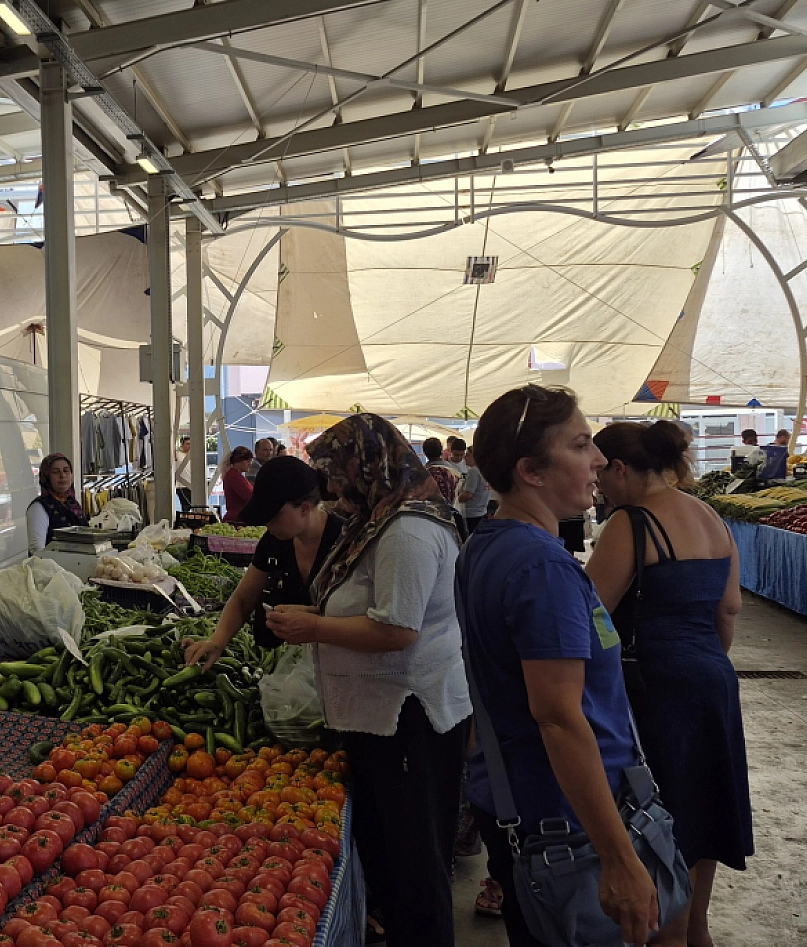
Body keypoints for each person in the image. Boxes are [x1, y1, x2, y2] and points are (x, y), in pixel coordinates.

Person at [457, 385, 660, 947]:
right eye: (580, 445)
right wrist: (619, 857)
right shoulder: (541, 568)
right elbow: (559, 720)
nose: (599, 459)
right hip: (564, 821)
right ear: (531, 471)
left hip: (526, 803)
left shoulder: (488, 543)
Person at [265, 414, 472, 947]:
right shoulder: (379, 520)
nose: (332, 489)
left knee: (415, 866)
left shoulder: (407, 530)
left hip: (409, 718)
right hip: (383, 719)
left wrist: (314, 627)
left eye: (338, 475)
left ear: (369, 465)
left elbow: (398, 628)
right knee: (397, 860)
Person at [588, 420, 752, 947]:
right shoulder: (713, 518)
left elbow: (592, 616)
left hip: (656, 684)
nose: (598, 488)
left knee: (660, 809)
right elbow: (729, 609)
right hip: (712, 678)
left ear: (620, 468)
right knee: (705, 803)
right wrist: (706, 661)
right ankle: (696, 924)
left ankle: (666, 931)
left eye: (600, 474)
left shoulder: (631, 524)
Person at [185, 455, 344, 659]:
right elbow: (243, 599)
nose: (268, 525)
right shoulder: (274, 540)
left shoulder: (345, 541)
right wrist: (217, 641)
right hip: (288, 668)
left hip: (340, 668)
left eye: (274, 516)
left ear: (304, 508)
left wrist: (315, 621)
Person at [27, 452, 88, 555]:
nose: (62, 476)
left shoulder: (72, 504)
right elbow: (37, 550)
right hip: (51, 568)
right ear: (46, 477)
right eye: (55, 472)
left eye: (66, 471)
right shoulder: (39, 507)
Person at [458, 445, 492, 535]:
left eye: (468, 455)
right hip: (482, 511)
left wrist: (455, 500)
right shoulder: (485, 471)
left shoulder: (473, 471)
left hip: (471, 513)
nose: (465, 457)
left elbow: (468, 494)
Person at [221, 446, 255, 523]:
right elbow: (249, 496)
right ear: (239, 461)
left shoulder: (233, 475)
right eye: (248, 461)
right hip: (237, 519)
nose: (250, 464)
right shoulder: (234, 477)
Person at [422, 437, 460, 506]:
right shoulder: (453, 471)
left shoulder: (426, 473)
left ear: (425, 453)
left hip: (432, 513)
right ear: (441, 450)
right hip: (452, 511)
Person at [175, 436, 194, 510]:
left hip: (193, 486)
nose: (190, 446)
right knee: (186, 506)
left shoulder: (194, 456)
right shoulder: (178, 454)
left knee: (194, 506)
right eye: (187, 444)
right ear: (182, 445)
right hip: (182, 486)